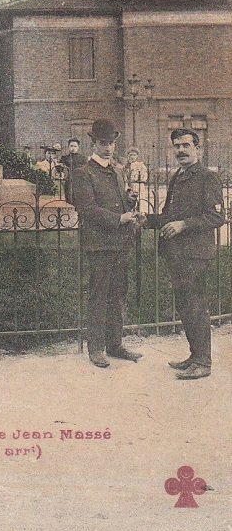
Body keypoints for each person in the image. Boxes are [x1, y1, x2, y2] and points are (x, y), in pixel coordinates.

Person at [142, 129, 224, 379]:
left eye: (186, 145)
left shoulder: (207, 178)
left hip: (196, 253)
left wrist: (184, 225)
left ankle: (203, 362)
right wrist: (147, 220)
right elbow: (170, 216)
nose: (181, 150)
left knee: (196, 307)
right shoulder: (178, 176)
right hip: (178, 253)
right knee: (186, 307)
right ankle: (195, 355)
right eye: (177, 146)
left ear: (197, 149)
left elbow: (216, 216)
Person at [71, 119, 143, 368]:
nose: (109, 148)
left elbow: (120, 201)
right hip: (100, 244)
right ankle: (96, 348)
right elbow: (87, 209)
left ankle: (116, 344)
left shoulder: (119, 169)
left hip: (121, 243)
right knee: (99, 296)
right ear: (93, 142)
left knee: (118, 295)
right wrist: (119, 218)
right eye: (103, 143)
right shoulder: (83, 173)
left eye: (112, 143)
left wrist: (130, 202)